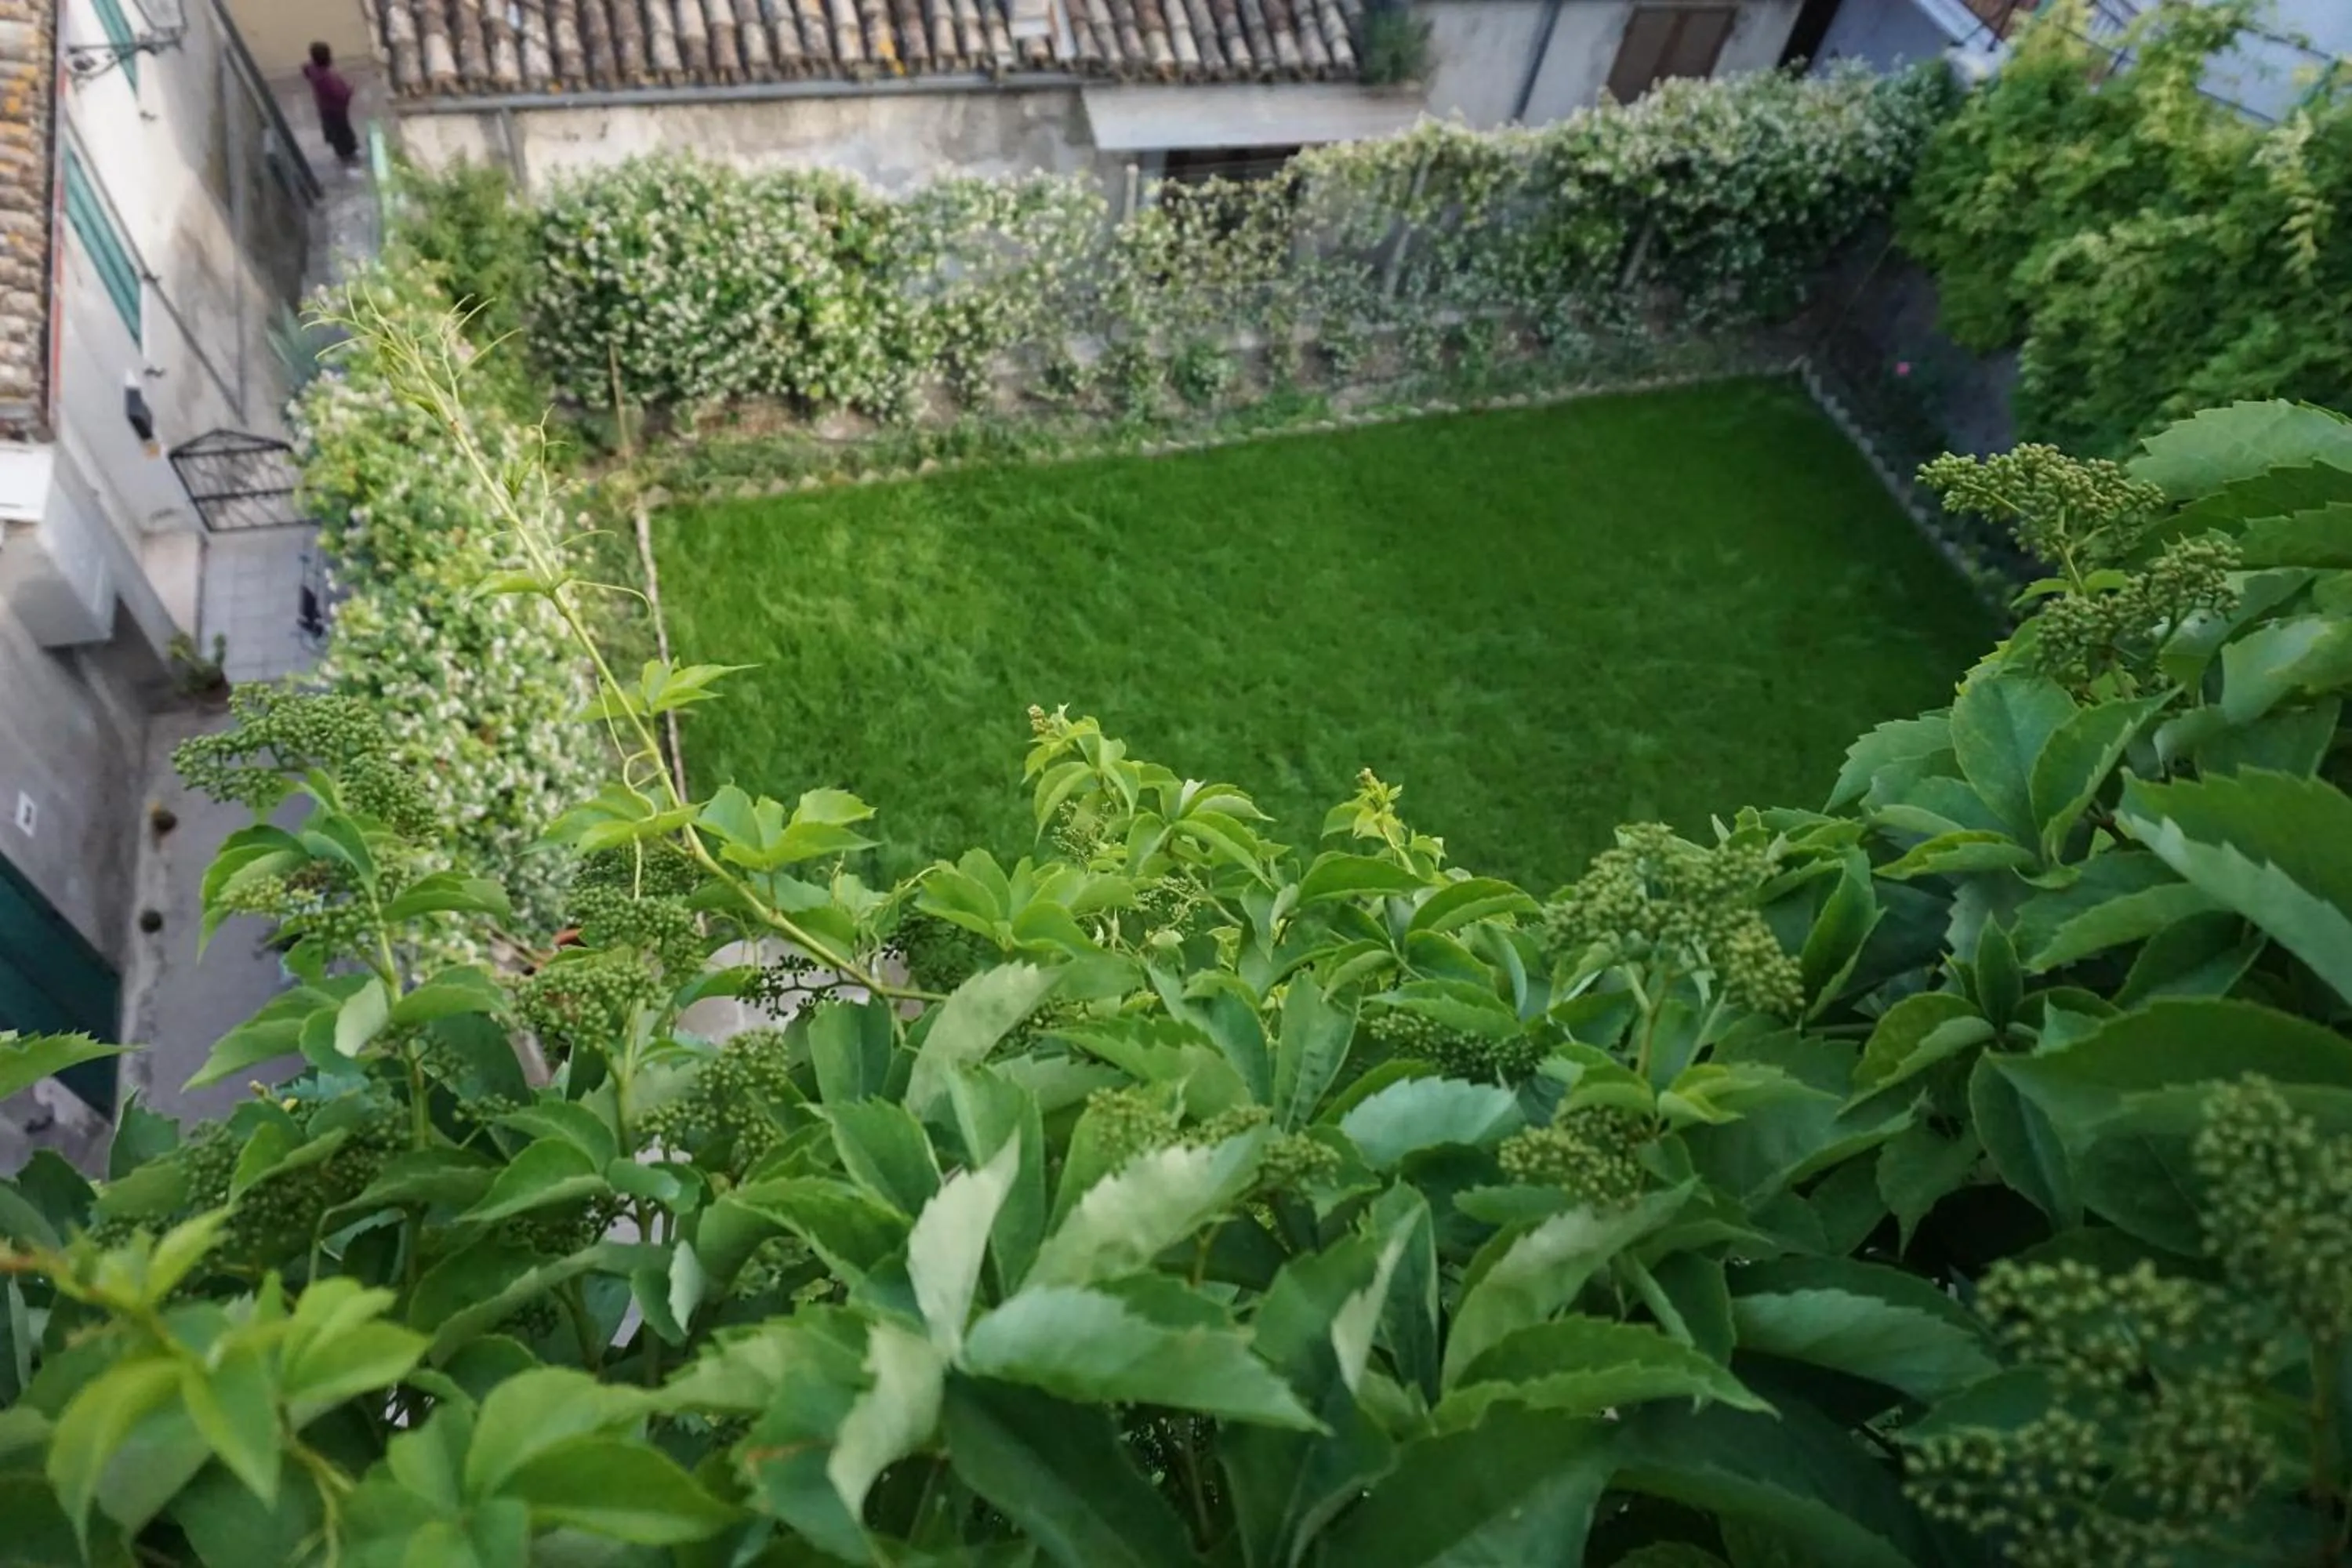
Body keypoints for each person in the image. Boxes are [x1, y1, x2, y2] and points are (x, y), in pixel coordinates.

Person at [302, 42, 359, 170]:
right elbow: (338, 94)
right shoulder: (325, 77)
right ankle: (348, 155)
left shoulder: (314, 72)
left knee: (335, 132)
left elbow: (306, 69)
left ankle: (344, 153)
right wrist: (349, 91)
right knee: (342, 132)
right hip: (336, 109)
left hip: (325, 109)